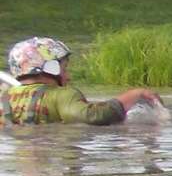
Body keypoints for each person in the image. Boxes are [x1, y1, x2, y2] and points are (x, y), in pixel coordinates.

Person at [1, 37, 161, 125]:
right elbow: (92, 115)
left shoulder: (3, 98)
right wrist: (135, 94)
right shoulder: (62, 95)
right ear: (50, 68)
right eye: (64, 69)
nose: (68, 76)